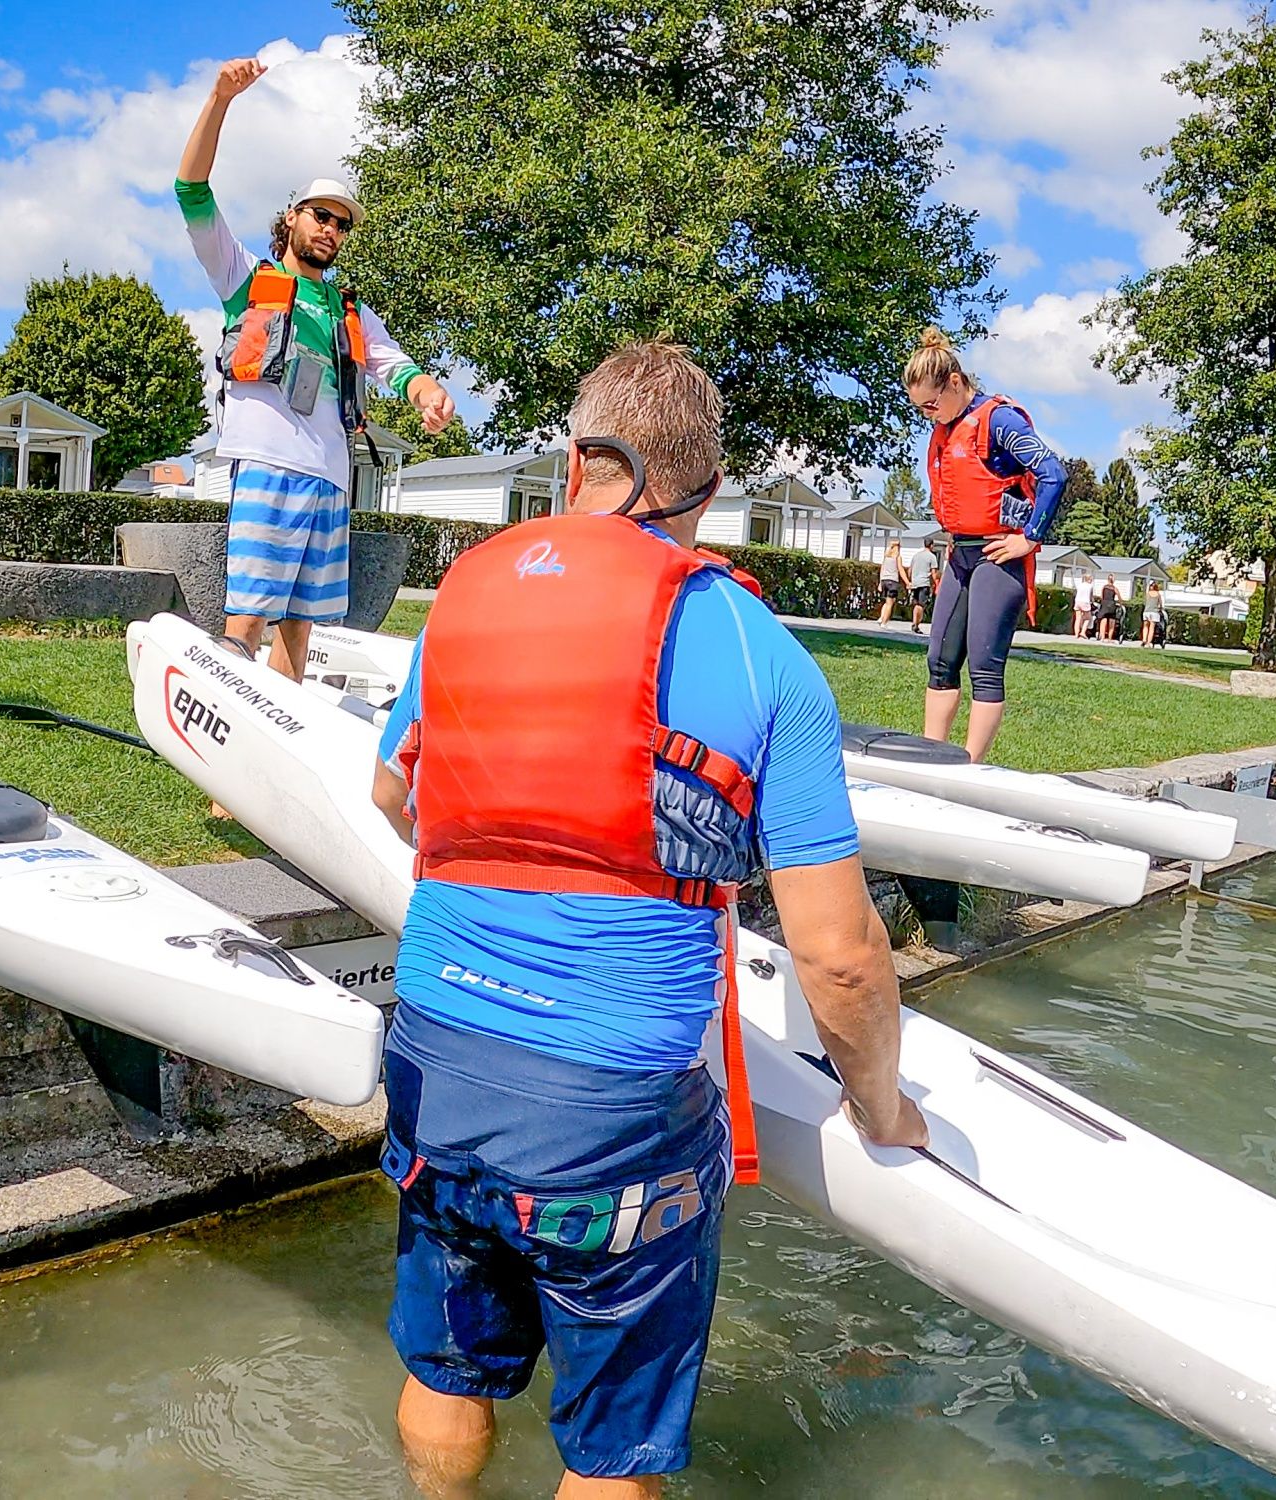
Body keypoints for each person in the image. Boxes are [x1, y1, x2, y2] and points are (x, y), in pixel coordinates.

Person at [369, 342, 926, 1499]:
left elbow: (393, 795)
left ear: (572, 460)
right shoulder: (757, 650)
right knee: (610, 1455)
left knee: (450, 1371)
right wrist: (880, 1104)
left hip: (432, 1055)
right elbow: (837, 956)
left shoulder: (466, 597)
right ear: (709, 495)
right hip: (611, 1113)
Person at [177, 58, 456, 685]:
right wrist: (221, 99)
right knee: (246, 622)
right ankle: (221, 784)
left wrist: (428, 391)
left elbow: (395, 365)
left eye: (342, 223)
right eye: (320, 215)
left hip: (331, 480)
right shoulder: (245, 277)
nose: (331, 229)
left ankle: (272, 769)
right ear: (293, 218)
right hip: (269, 469)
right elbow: (190, 192)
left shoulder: (349, 310)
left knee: (300, 629)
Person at [904, 328, 1067, 762]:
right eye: (920, 409)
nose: (928, 416)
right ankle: (932, 757)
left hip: (998, 557)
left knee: (984, 668)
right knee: (940, 662)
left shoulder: (998, 421)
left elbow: (1053, 473)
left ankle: (970, 767)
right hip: (961, 555)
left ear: (954, 382)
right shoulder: (947, 426)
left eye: (932, 405)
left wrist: (1029, 539)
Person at [907, 536, 939, 633]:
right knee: (921, 605)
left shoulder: (916, 556)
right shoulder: (932, 557)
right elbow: (934, 573)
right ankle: (916, 624)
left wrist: (910, 580)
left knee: (916, 604)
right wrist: (936, 583)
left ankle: (914, 622)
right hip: (924, 583)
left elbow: (909, 570)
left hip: (915, 582)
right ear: (932, 545)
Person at [876, 538, 904, 624]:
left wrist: (880, 582)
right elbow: (901, 569)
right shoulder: (897, 557)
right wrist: (907, 581)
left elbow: (882, 568)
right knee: (890, 603)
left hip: (884, 580)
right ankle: (884, 622)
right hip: (893, 581)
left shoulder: (886, 556)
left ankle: (881, 617)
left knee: (887, 601)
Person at [1141, 583, 1166, 648]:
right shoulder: (1158, 594)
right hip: (1154, 612)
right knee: (1151, 628)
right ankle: (1148, 642)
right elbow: (1160, 604)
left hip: (1146, 611)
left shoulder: (1148, 594)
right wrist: (1160, 608)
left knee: (1145, 626)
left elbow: (1145, 602)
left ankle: (1144, 639)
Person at [1073, 569, 1095, 641]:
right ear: (1089, 579)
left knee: (1078, 618)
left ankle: (1076, 634)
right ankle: (1083, 632)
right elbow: (1091, 597)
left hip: (1078, 601)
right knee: (1088, 618)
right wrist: (1093, 601)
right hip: (1085, 602)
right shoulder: (1090, 586)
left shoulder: (1080, 585)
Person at [1098, 575, 1122, 642]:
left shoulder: (1104, 587)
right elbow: (1119, 598)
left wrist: (1103, 601)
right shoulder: (1114, 588)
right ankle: (1109, 638)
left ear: (1107, 579)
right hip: (1111, 604)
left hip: (1104, 604)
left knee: (1103, 620)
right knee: (1112, 621)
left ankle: (1102, 637)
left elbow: (1101, 596)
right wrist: (1120, 604)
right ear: (1113, 580)